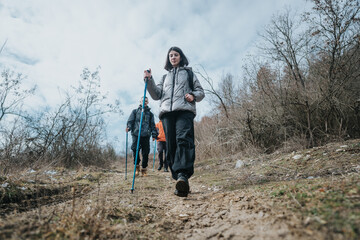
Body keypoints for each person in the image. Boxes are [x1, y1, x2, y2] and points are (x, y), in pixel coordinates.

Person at [144, 46, 205, 197]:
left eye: (176, 55)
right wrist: (149, 81)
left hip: (184, 111)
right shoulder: (164, 78)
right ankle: (179, 179)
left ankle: (183, 175)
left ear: (181, 57)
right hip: (167, 114)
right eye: (170, 55)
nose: (173, 57)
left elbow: (200, 92)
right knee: (171, 145)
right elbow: (156, 95)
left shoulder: (189, 74)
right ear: (168, 59)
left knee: (183, 140)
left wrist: (192, 95)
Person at [126, 97, 157, 177]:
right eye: (143, 101)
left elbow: (153, 125)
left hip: (146, 135)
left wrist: (154, 134)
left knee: (145, 152)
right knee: (135, 150)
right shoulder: (135, 112)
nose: (144, 102)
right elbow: (130, 121)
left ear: (148, 102)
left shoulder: (150, 114)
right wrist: (128, 127)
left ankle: (144, 169)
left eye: (146, 101)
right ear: (140, 101)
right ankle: (136, 168)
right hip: (136, 134)